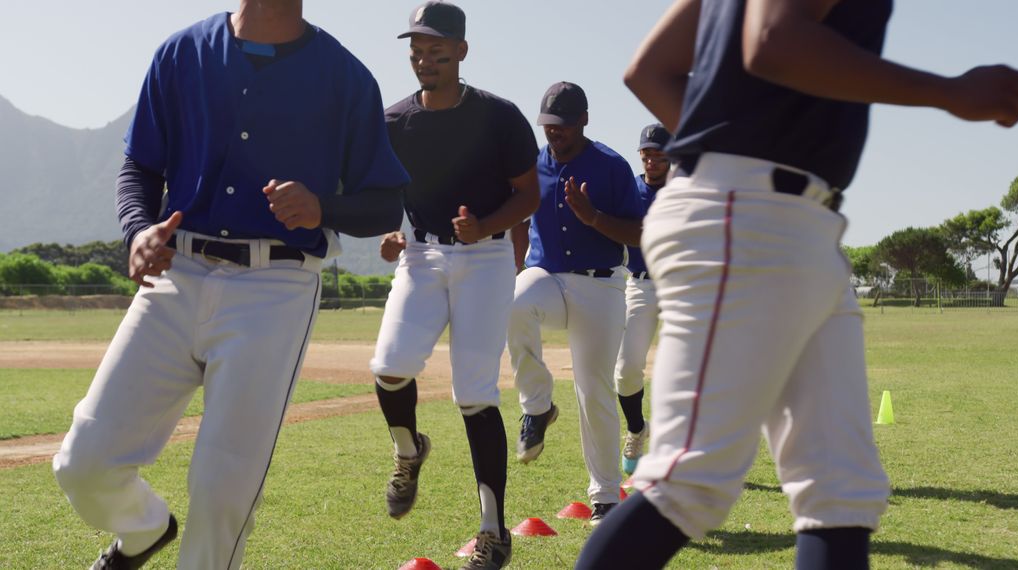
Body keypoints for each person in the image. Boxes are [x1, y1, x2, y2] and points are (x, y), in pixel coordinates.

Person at [576, 0, 1018, 568]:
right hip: (749, 218)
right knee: (687, 482)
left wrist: (724, 149)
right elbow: (772, 41)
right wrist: (948, 91)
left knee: (840, 491)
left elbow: (647, 70)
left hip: (790, 221)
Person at [51, 2, 409, 568]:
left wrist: (324, 208)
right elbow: (139, 167)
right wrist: (138, 230)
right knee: (83, 462)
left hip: (276, 285)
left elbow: (386, 200)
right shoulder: (181, 52)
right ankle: (143, 530)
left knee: (223, 490)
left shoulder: (345, 76)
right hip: (177, 273)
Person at [369, 2, 540, 568]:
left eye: (436, 52)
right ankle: (409, 449)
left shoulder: (499, 116)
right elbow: (386, 191)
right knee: (389, 367)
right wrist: (393, 234)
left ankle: (493, 532)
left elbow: (528, 194)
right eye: (416, 51)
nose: (424, 61)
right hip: (421, 256)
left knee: (475, 394)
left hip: (486, 259)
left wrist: (486, 227)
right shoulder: (393, 121)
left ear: (461, 52)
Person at [508, 81, 645, 526]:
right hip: (546, 277)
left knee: (594, 390)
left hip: (600, 286)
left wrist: (594, 218)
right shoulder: (532, 166)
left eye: (563, 125)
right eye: (548, 125)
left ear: (583, 120)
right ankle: (537, 407)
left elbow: (639, 234)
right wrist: (515, 264)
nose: (554, 133)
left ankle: (605, 497)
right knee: (514, 301)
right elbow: (516, 220)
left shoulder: (611, 166)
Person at [614, 123, 671, 476]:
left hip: (683, 284)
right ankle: (637, 428)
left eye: (658, 154)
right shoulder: (630, 190)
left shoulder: (684, 190)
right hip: (641, 284)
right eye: (646, 154)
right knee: (626, 370)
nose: (651, 161)